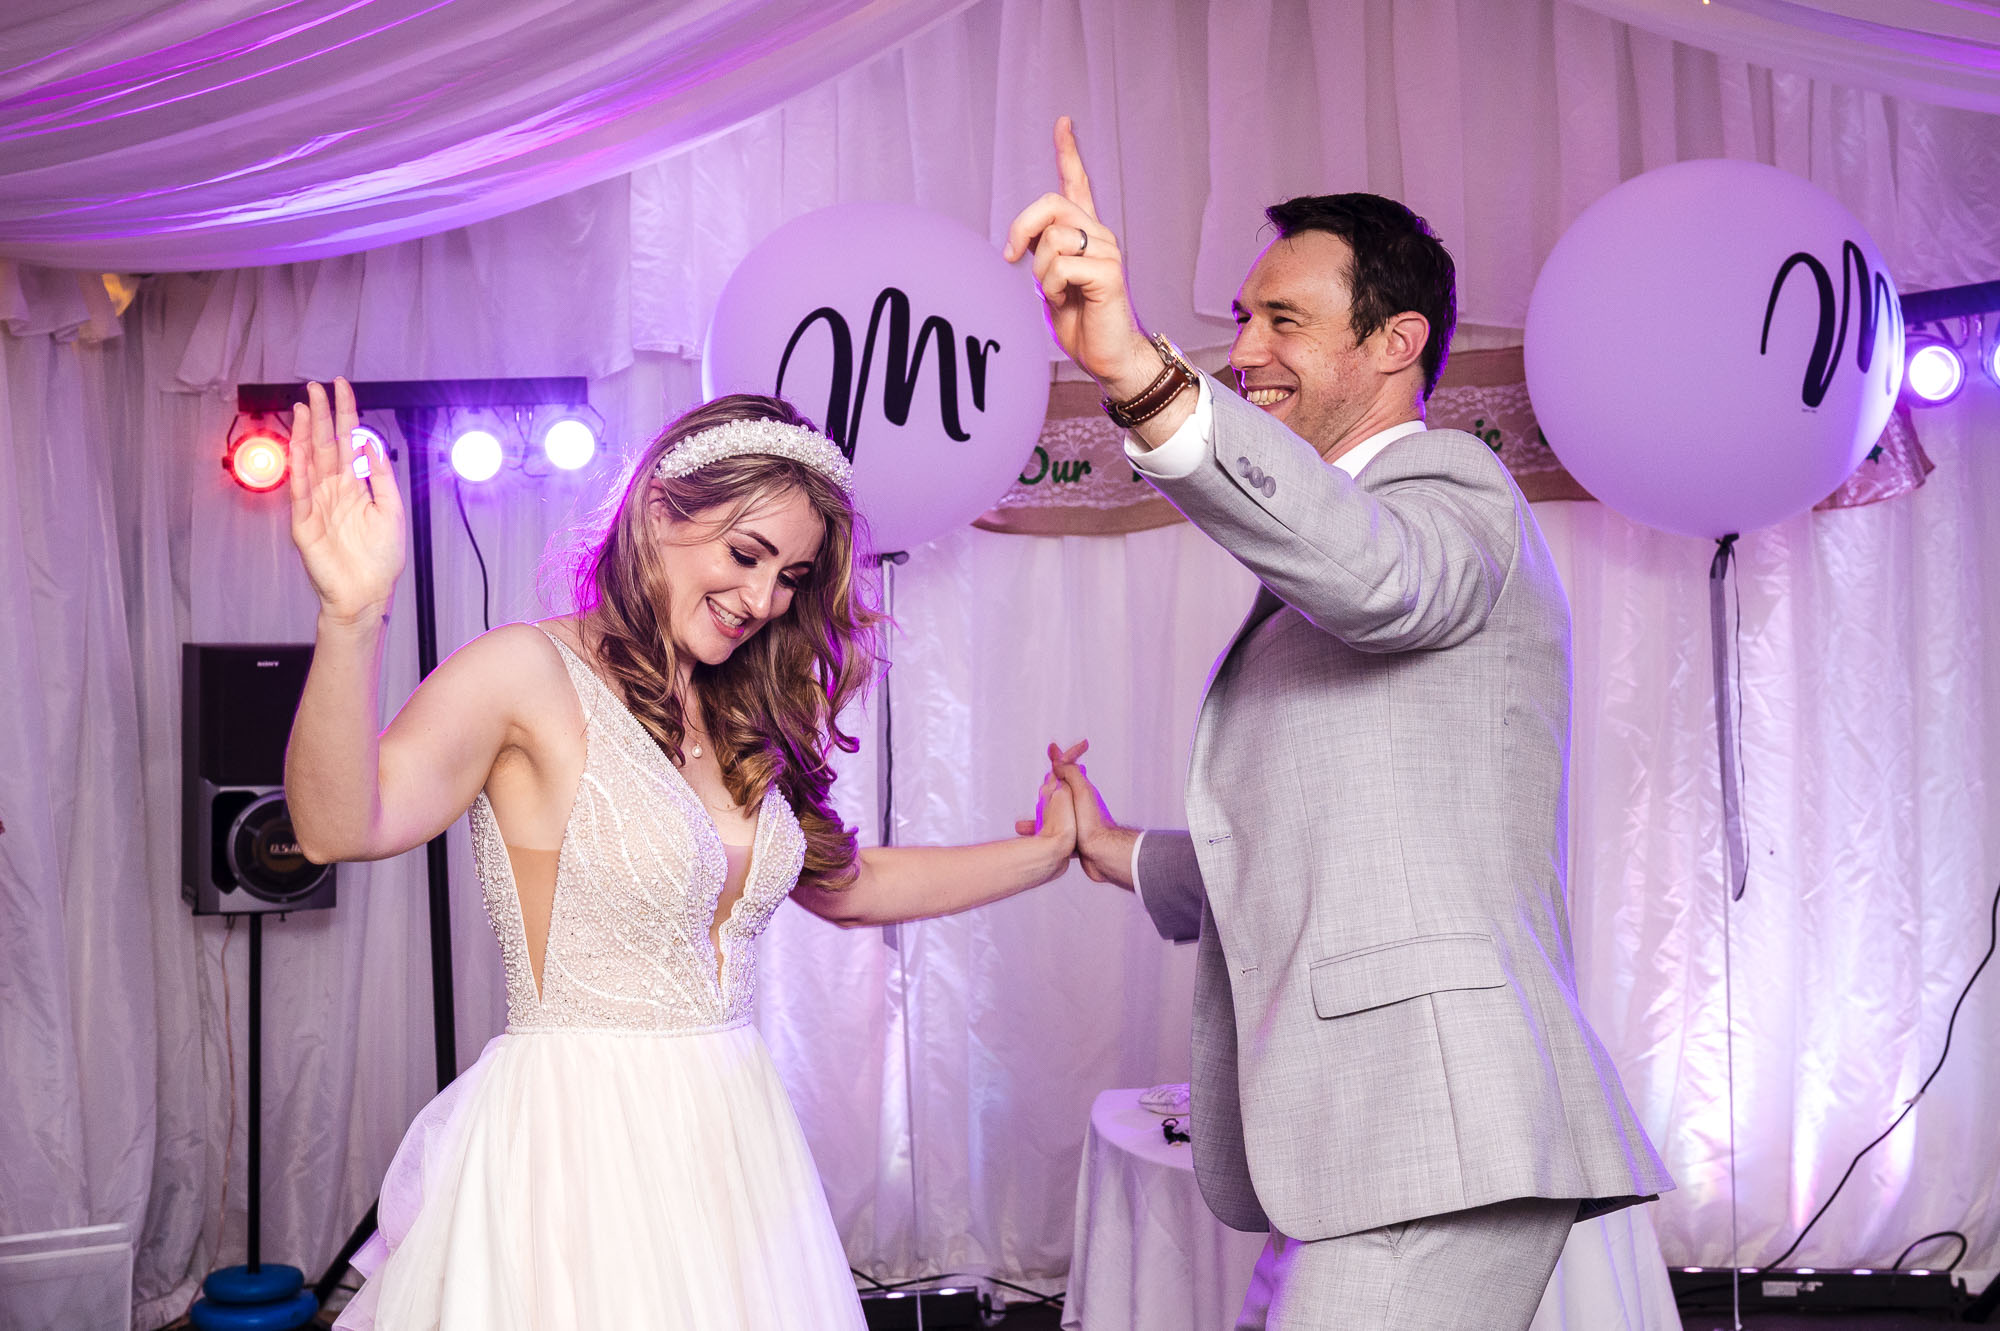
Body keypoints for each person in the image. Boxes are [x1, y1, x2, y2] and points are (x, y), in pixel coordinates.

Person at [1005, 119, 1674, 1329]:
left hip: (1438, 1116)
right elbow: (1327, 845)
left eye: (1283, 319)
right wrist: (1112, 848)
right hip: (1362, 1138)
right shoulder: (1335, 538)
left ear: (1394, 341)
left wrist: (1140, 373)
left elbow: (1380, 580)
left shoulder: (1454, 490)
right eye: (1240, 319)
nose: (1244, 350)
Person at [282, 381, 1077, 1329]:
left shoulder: (740, 709)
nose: (763, 599)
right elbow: (338, 827)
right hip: (581, 1144)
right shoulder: (525, 670)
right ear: (658, 507)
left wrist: (1049, 852)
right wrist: (351, 617)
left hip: (734, 1136)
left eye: (791, 576)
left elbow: (852, 887)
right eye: (746, 554)